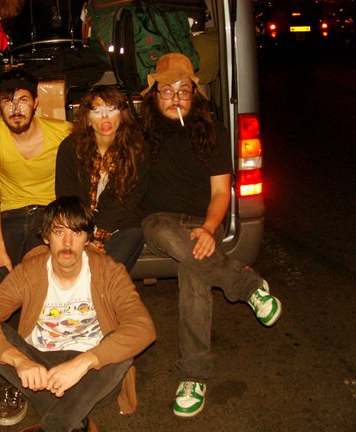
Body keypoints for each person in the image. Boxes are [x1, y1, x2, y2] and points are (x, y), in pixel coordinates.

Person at [139, 53, 283, 418]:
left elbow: (220, 193)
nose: (175, 98)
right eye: (166, 90)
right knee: (169, 235)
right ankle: (247, 286)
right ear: (155, 95)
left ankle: (193, 376)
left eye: (183, 90)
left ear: (195, 94)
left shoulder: (212, 133)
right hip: (159, 221)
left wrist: (206, 227)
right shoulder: (141, 134)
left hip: (203, 220)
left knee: (194, 273)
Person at [0, 196, 156, 432]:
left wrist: (83, 363)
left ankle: (55, 424)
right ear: (46, 237)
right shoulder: (29, 273)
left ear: (88, 238)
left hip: (93, 375)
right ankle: (74, 419)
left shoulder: (109, 272)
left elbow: (143, 328)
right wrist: (20, 361)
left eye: (76, 232)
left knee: (120, 344)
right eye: (59, 232)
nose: (67, 242)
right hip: (41, 369)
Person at [0, 69, 73, 426]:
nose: (15, 108)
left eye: (23, 100)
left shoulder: (63, 132)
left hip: (48, 217)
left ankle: (22, 379)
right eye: (7, 101)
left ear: (36, 103)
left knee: (37, 284)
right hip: (10, 218)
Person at [55, 86, 148, 272]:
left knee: (105, 271)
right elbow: (67, 197)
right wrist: (85, 234)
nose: (105, 117)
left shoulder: (137, 148)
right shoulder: (70, 147)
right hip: (79, 224)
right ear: (87, 118)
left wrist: (97, 236)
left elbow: (131, 200)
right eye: (97, 111)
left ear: (121, 114)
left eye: (111, 109)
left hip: (123, 224)